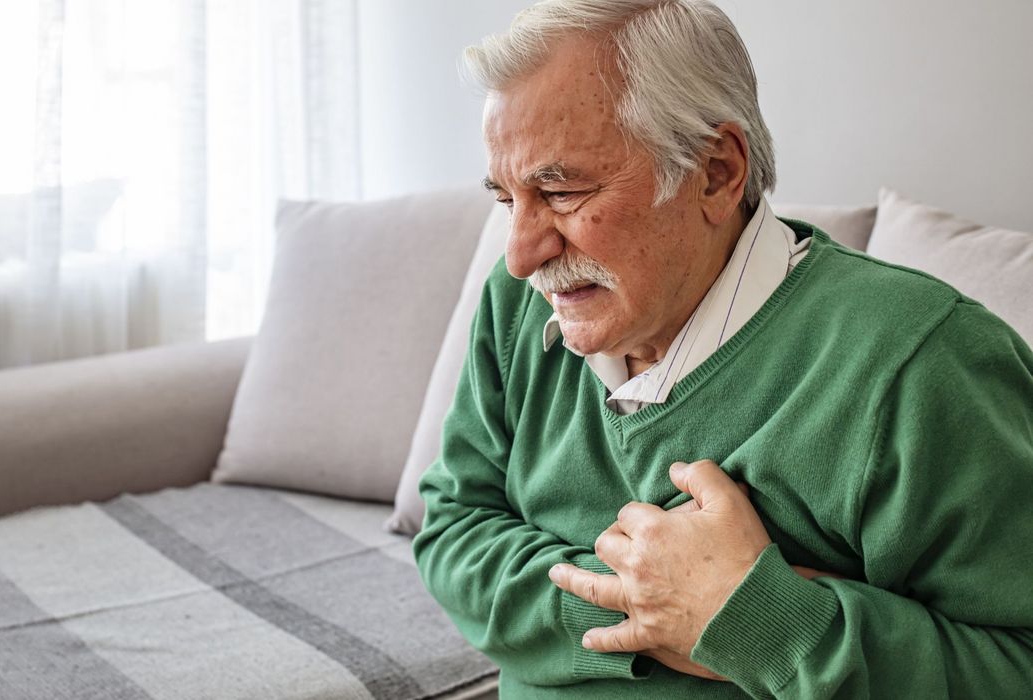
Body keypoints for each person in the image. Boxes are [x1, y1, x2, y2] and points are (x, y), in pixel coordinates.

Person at [411, 1, 1033, 698]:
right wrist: (651, 604)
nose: (522, 256)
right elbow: (453, 530)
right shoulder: (517, 303)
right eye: (506, 199)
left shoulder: (923, 363)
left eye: (560, 190)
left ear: (715, 172)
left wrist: (765, 625)